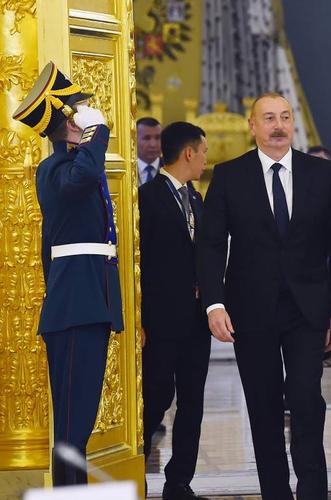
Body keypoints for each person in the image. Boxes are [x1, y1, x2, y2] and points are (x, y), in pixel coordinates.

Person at [197, 92, 331, 499]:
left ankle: (313, 492)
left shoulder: (323, 174)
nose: (279, 125)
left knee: (306, 401)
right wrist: (214, 304)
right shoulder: (229, 175)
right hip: (251, 311)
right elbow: (211, 245)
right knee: (263, 407)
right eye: (269, 118)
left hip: (308, 310)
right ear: (252, 126)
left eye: (285, 117)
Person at [13, 62, 123, 486]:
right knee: (73, 430)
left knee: (78, 427)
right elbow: (85, 175)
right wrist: (99, 132)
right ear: (68, 121)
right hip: (76, 309)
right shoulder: (56, 170)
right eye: (79, 110)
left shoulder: (73, 168)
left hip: (85, 304)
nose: (86, 116)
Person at [140, 122, 210, 500]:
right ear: (188, 153)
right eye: (203, 152)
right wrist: (140, 319)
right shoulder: (147, 197)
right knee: (156, 397)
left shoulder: (196, 198)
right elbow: (137, 263)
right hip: (160, 321)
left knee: (192, 402)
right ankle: (133, 471)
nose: (206, 160)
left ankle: (179, 480)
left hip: (196, 321)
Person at [137, 117, 163, 185]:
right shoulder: (126, 169)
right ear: (134, 140)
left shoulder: (172, 168)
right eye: (147, 138)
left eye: (157, 138)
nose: (153, 144)